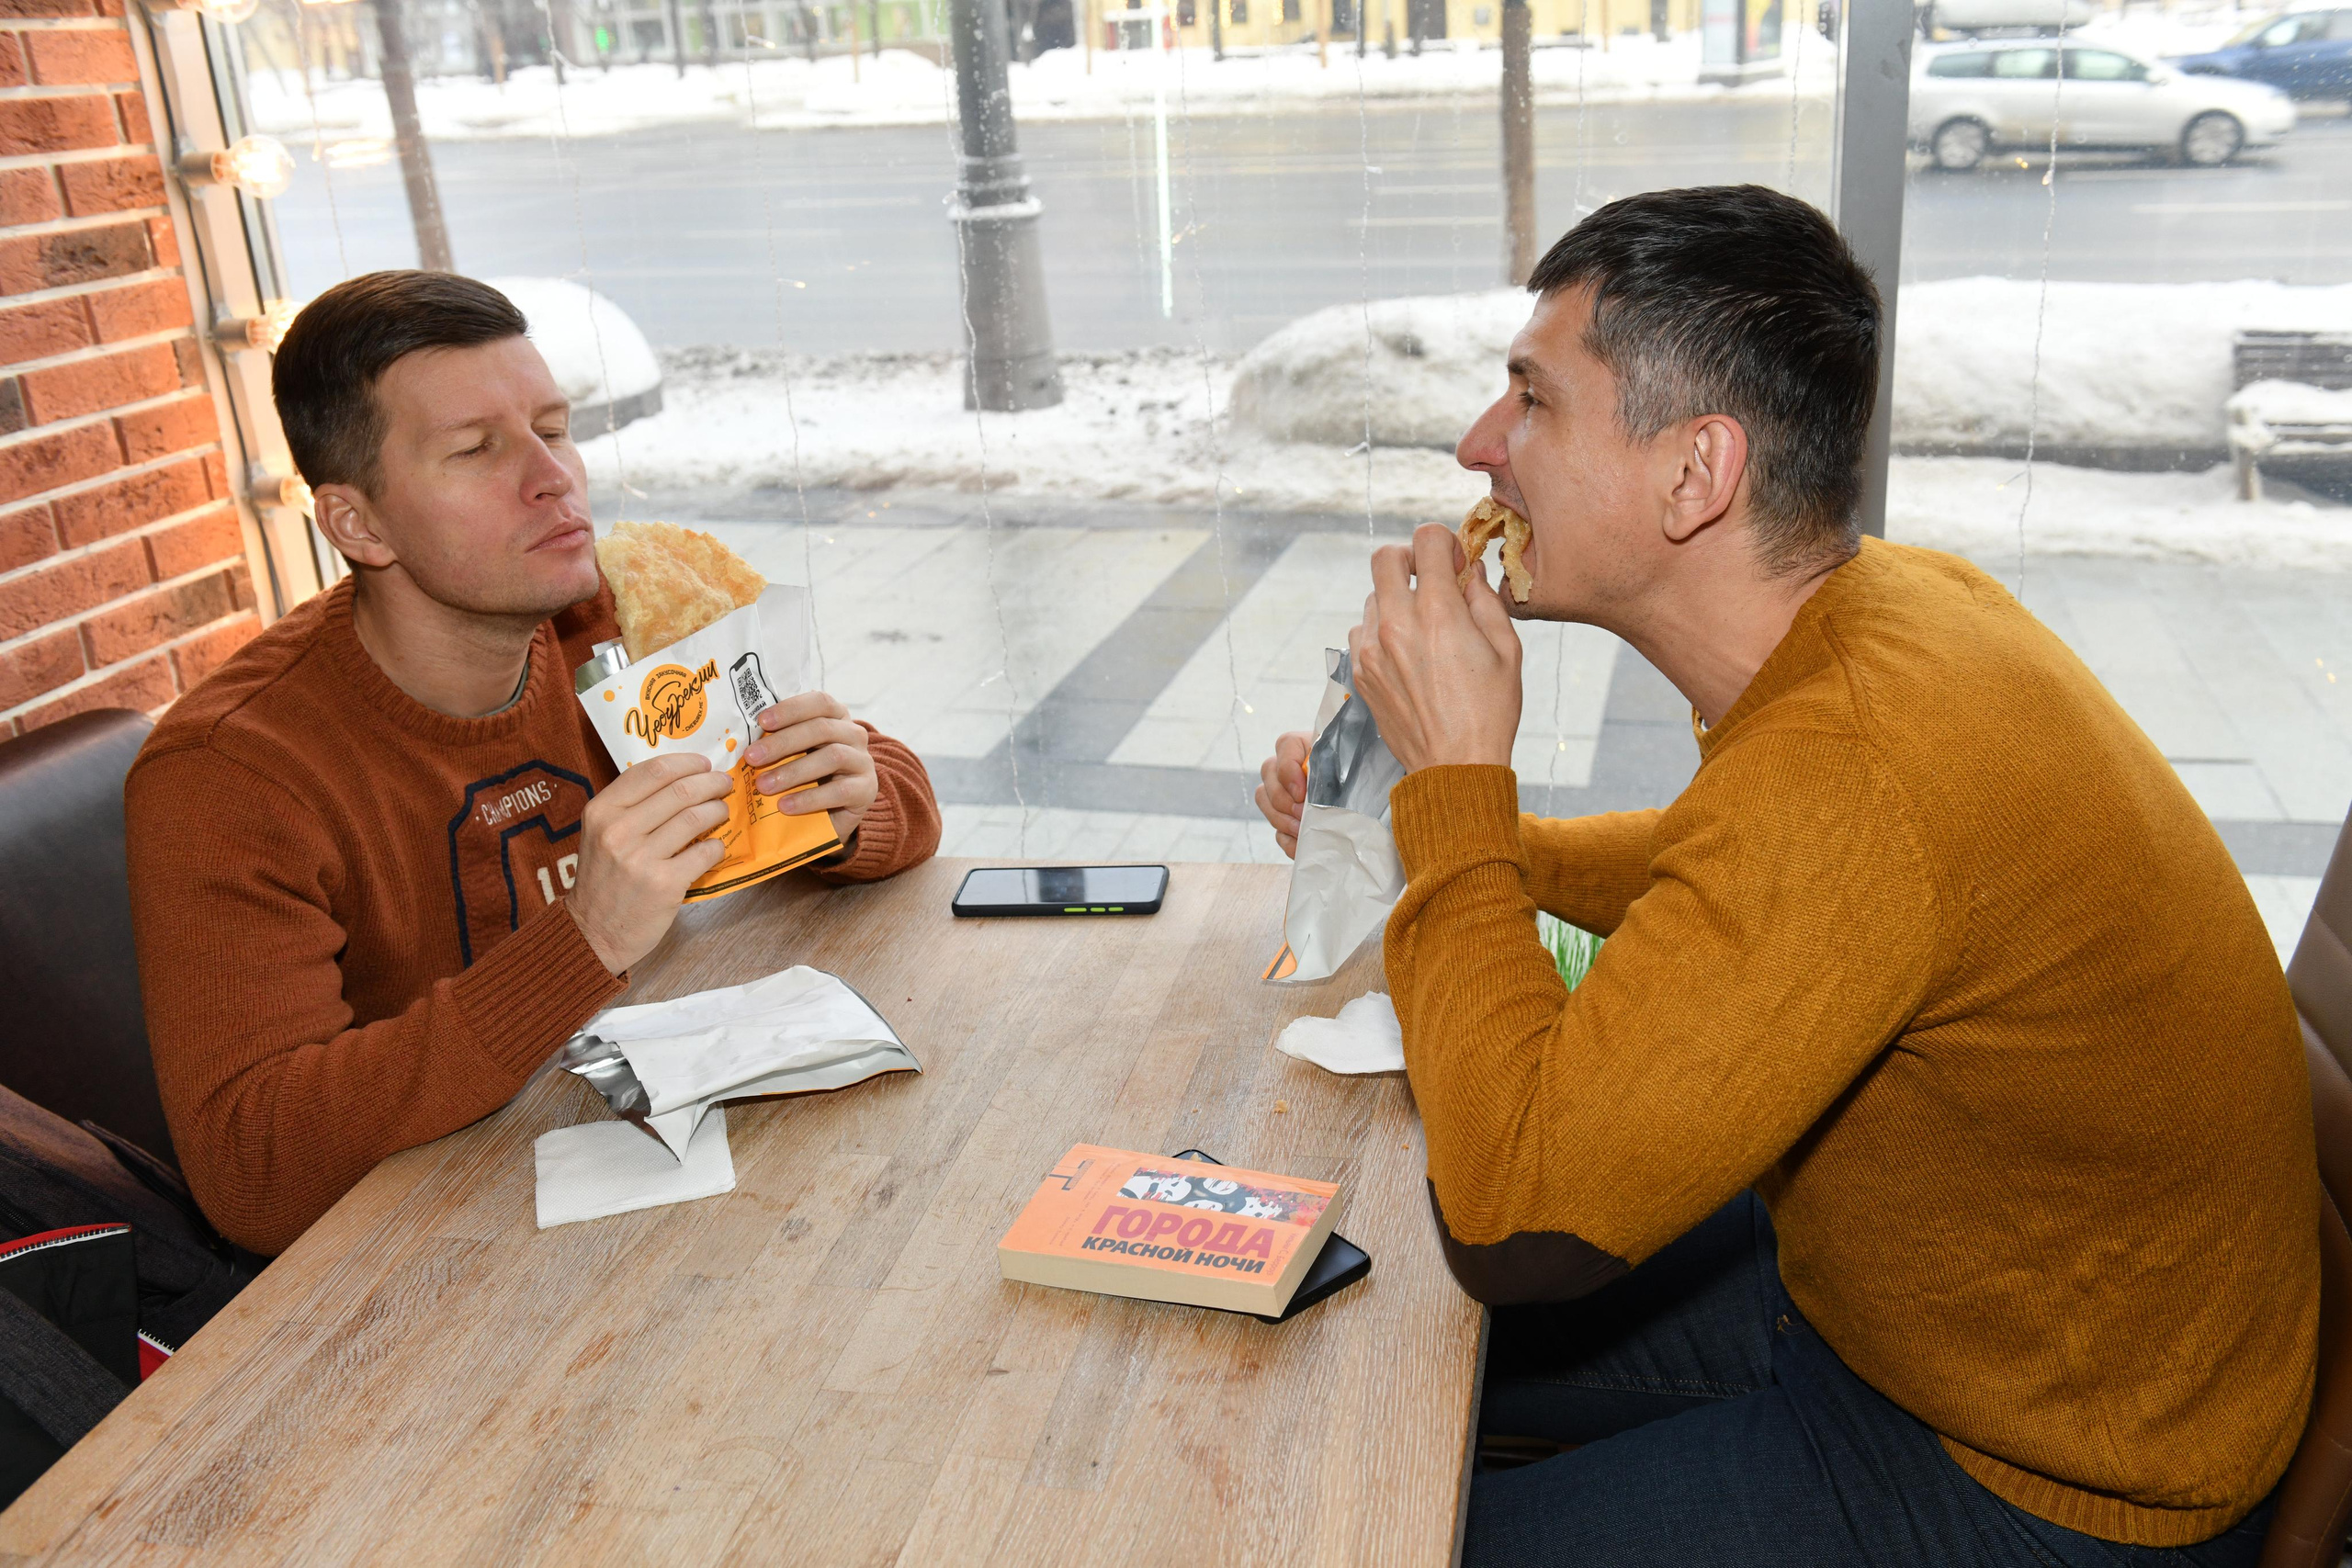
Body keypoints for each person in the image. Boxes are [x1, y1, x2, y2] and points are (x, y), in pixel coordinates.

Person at [1254, 186, 2314, 1565]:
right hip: (1916, 1306)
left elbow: (1515, 1218)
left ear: (1696, 473)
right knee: (1356, 1329)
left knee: (1361, 1524)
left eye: (1533, 399)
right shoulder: (1893, 609)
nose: (1478, 444)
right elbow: (1736, 861)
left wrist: (1460, 785)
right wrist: (1456, 837)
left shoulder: (1857, 766)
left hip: (2046, 1469)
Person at [125, 271, 942, 1258]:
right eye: (476, 449)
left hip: (663, 1172)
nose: (553, 476)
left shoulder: (612, 615)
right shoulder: (228, 775)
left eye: (553, 429)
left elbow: (896, 796)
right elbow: (254, 1169)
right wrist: (587, 937)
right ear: (356, 525)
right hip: (420, 1262)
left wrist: (849, 803)